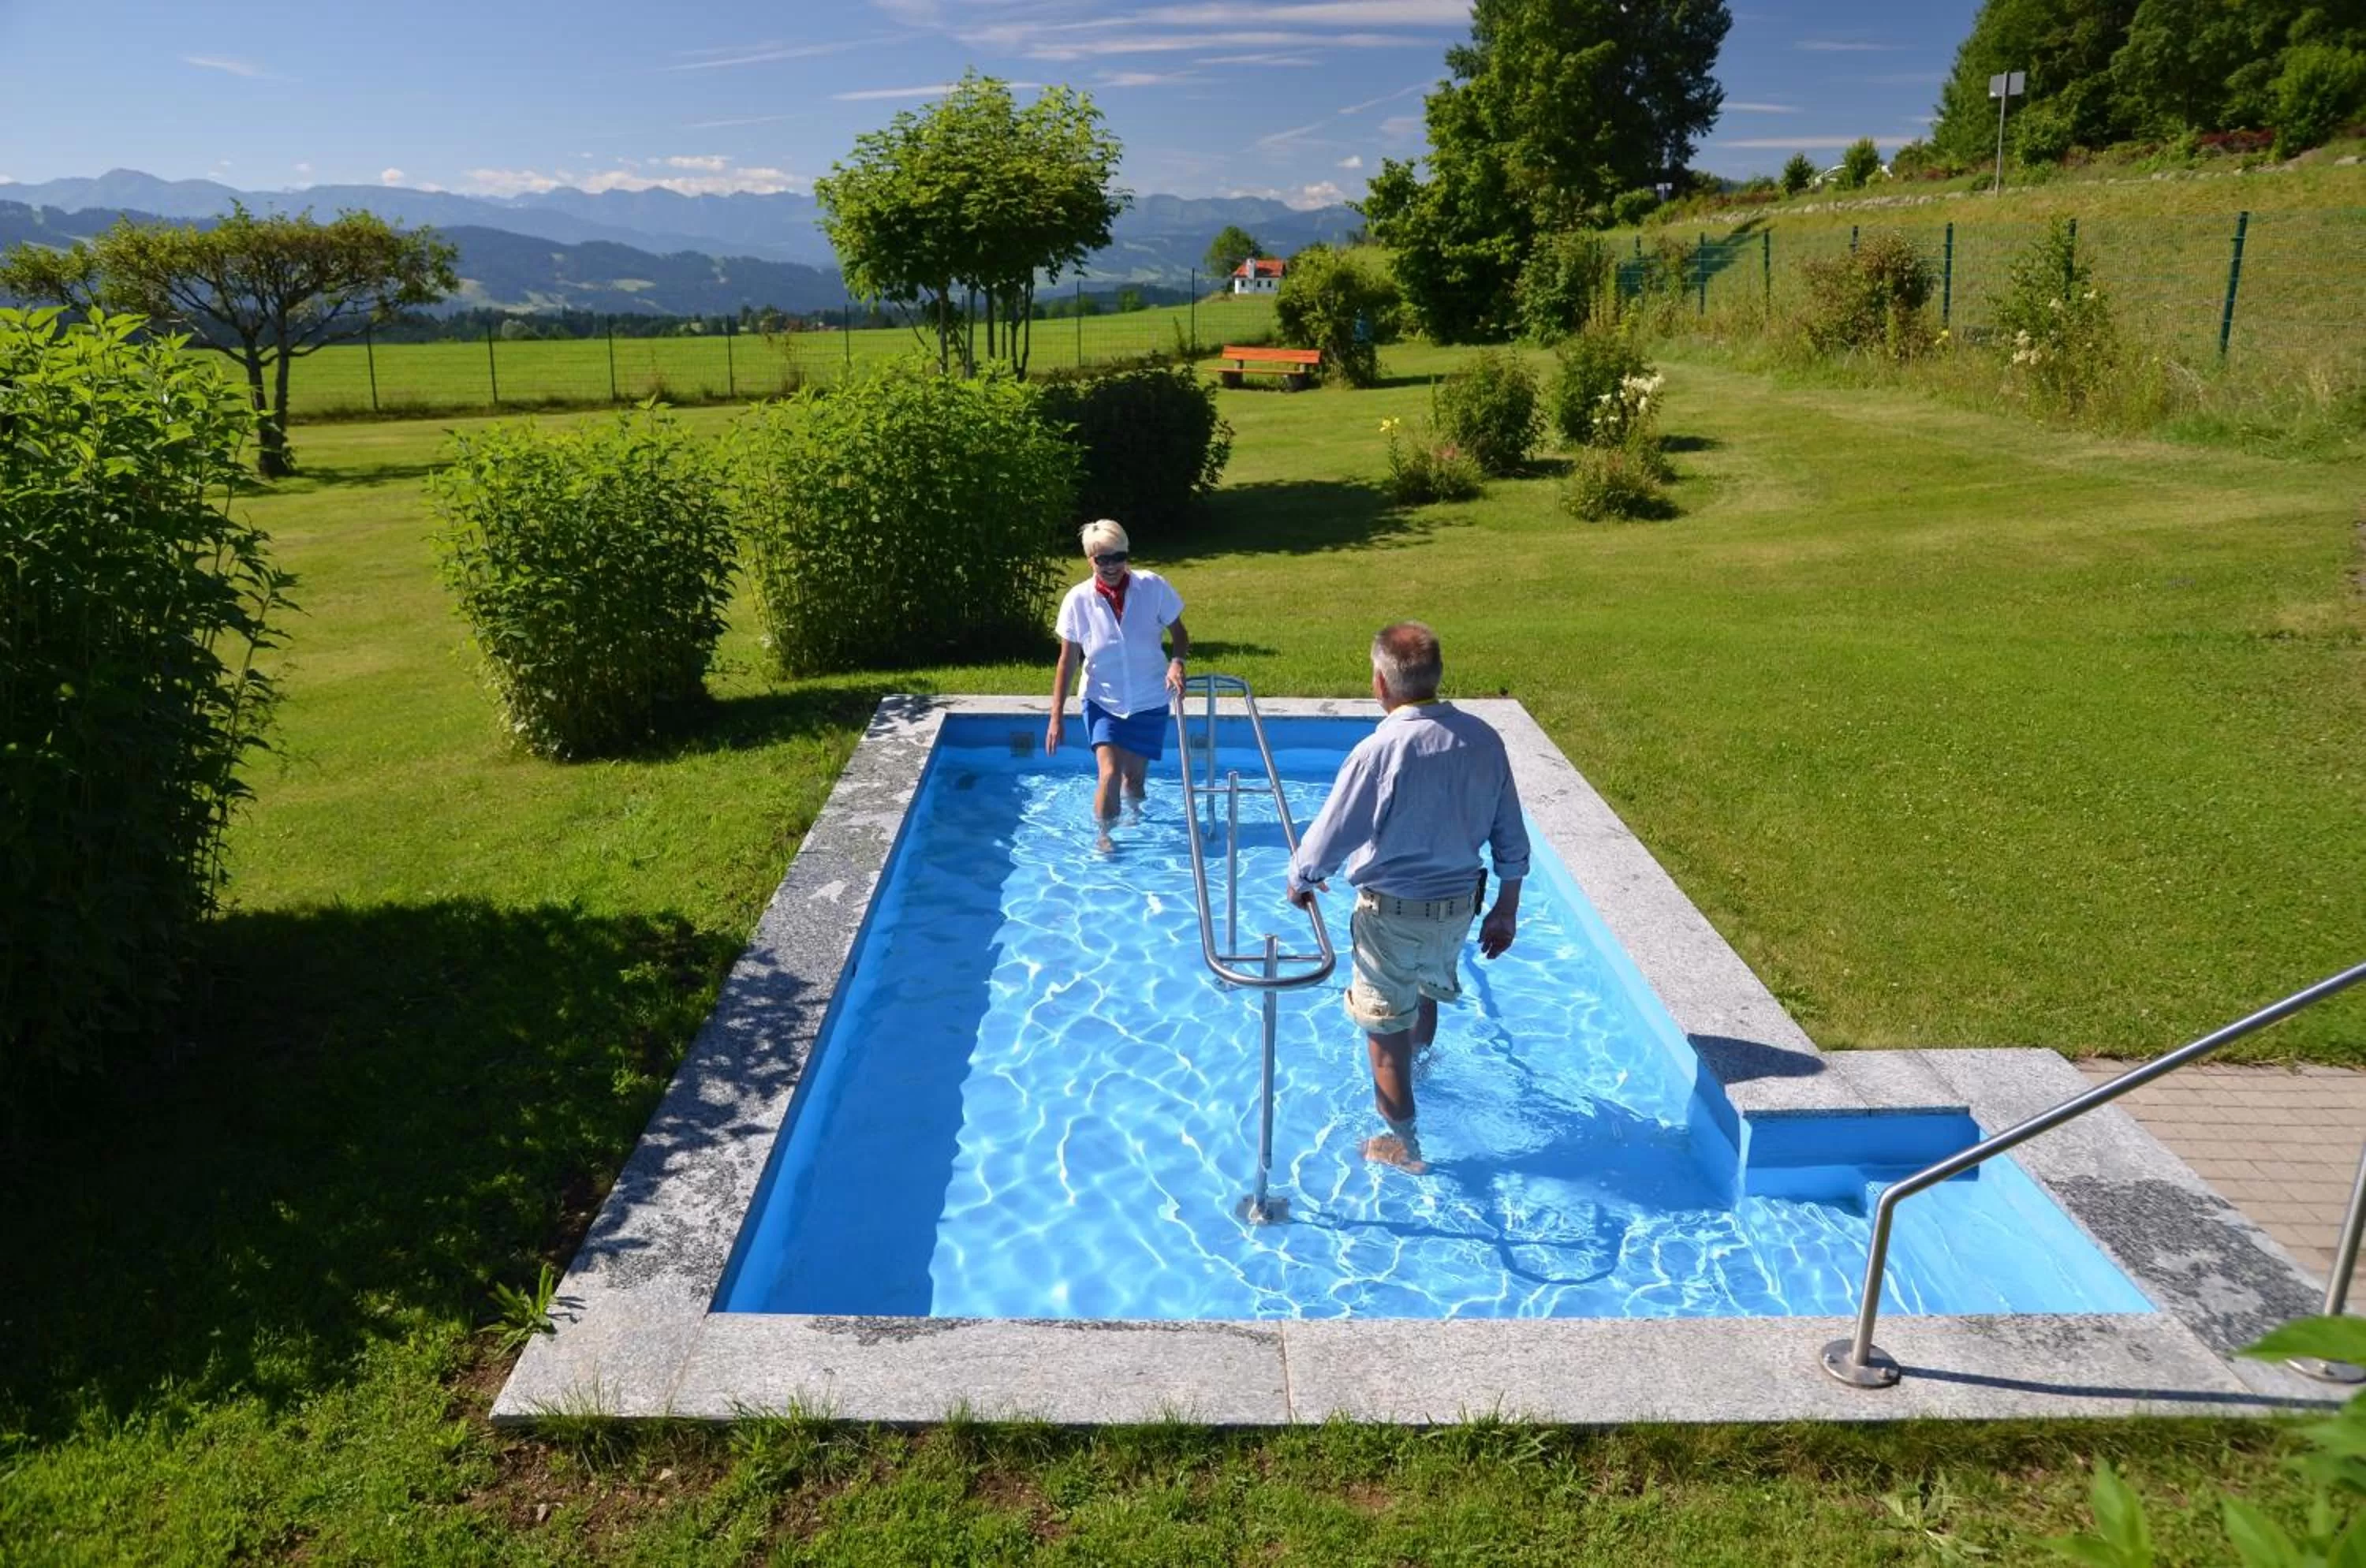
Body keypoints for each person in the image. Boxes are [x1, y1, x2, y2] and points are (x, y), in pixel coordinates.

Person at [1286, 622, 1528, 1173]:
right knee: (1423, 994)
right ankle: (1419, 1071)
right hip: (1457, 910)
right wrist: (1507, 907)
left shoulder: (1380, 750)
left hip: (1390, 915)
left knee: (1384, 1037)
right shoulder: (1483, 739)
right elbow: (1510, 833)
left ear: (1380, 683)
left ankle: (1404, 1146)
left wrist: (1301, 878)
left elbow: (1331, 833)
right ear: (1436, 675)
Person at [1046, 520, 1190, 849]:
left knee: (1134, 780)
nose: (1111, 566)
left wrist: (1177, 663)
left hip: (1149, 697)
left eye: (1118, 556)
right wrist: (1056, 716)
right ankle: (1104, 836)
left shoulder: (1153, 587)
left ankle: (1135, 819)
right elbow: (1067, 661)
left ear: (1127, 555)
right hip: (1102, 700)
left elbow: (1180, 636)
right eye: (1102, 559)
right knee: (1109, 773)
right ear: (1089, 560)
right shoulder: (1077, 600)